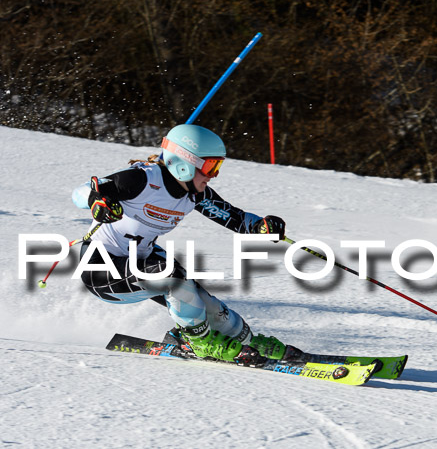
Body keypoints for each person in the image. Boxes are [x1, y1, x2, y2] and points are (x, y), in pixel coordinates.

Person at [74, 124, 288, 362]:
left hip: (141, 260)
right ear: (184, 163)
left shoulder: (194, 194)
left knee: (201, 300)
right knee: (173, 278)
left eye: (217, 167)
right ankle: (198, 341)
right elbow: (81, 192)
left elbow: (235, 219)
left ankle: (245, 340)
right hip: (101, 268)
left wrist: (262, 226)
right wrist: (97, 201)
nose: (213, 175)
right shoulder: (143, 178)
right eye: (210, 166)